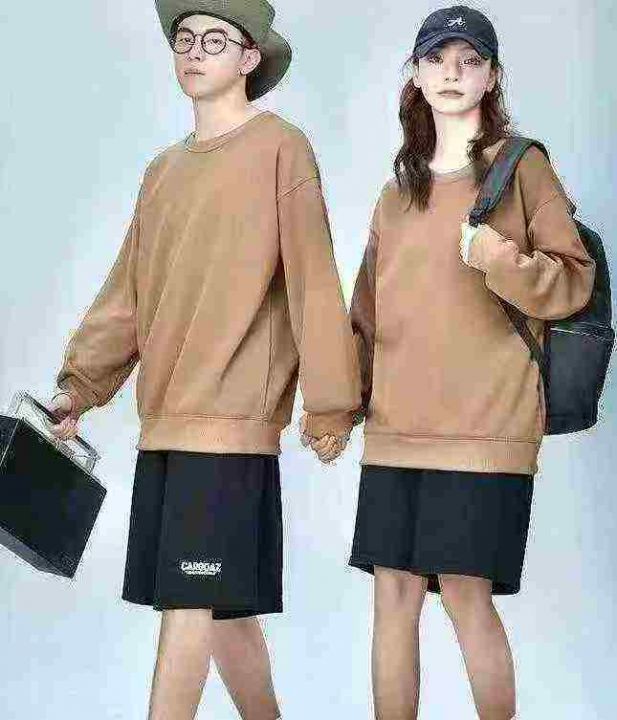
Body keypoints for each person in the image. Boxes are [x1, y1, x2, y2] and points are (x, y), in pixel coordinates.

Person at [48, 1, 360, 718]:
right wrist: (79, 387)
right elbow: (127, 294)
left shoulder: (280, 149)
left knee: (187, 606)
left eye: (213, 40)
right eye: (183, 38)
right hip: (165, 425)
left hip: (227, 428)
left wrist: (331, 402)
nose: (193, 51)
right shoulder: (162, 172)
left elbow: (313, 280)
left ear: (250, 58)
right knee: (221, 616)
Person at [302, 5, 596, 719]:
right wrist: (336, 409)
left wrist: (496, 257)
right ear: (416, 74)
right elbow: (365, 316)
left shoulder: (521, 170)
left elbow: (572, 282)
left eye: (469, 61)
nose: (452, 73)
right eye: (436, 59)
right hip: (396, 431)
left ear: (492, 77)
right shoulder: (395, 193)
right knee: (392, 597)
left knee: (466, 596)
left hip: (484, 429)